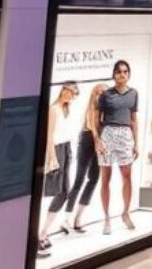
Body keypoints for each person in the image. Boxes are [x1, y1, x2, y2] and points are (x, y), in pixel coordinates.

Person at [38, 82, 82, 255]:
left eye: (72, 93)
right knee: (56, 190)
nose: (69, 95)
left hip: (66, 148)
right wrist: (52, 156)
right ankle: (40, 235)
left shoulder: (67, 110)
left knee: (64, 192)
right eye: (67, 91)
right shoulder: (54, 109)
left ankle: (43, 232)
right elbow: (49, 134)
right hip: (56, 149)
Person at [97, 59, 139, 234]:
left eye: (125, 71)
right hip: (108, 134)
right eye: (119, 71)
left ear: (128, 74)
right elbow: (97, 119)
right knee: (106, 178)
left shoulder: (134, 94)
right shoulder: (106, 95)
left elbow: (134, 119)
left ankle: (126, 213)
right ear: (114, 74)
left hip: (125, 135)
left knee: (127, 177)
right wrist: (98, 140)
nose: (122, 74)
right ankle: (106, 218)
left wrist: (136, 142)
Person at [66, 84, 105, 233]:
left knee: (94, 178)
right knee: (79, 179)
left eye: (103, 92)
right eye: (98, 92)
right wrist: (97, 142)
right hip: (88, 139)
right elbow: (92, 127)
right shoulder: (91, 107)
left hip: (100, 141)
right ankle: (66, 217)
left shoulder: (106, 109)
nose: (100, 95)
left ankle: (78, 217)